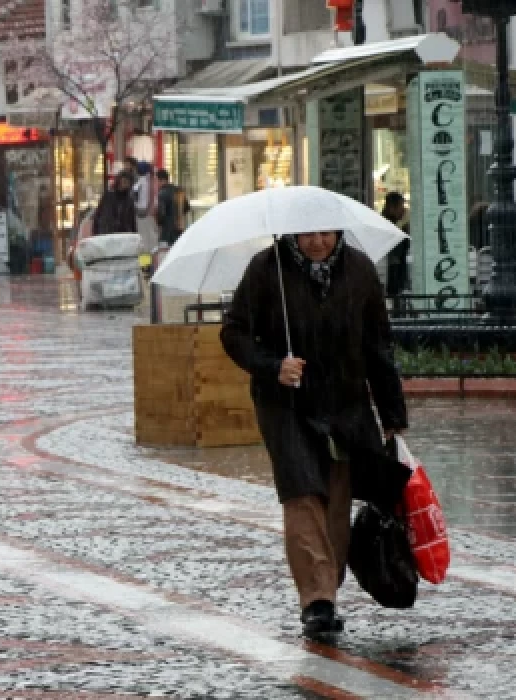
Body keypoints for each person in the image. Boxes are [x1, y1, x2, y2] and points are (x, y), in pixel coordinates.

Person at [220, 231, 408, 641]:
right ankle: (317, 601)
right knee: (302, 493)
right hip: (286, 406)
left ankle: (327, 587)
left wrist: (392, 413)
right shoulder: (266, 268)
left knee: (337, 498)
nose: (319, 241)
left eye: (327, 232)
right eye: (310, 233)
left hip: (344, 404)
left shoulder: (359, 270)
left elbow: (378, 345)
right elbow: (233, 333)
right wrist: (273, 366)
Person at [382, 192, 410, 306]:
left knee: (400, 290)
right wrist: (401, 223)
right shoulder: (386, 220)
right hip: (392, 262)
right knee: (394, 290)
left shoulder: (404, 220)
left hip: (401, 261)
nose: (403, 209)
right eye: (400, 206)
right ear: (392, 207)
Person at [153, 169, 191, 245]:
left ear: (162, 180)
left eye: (156, 181)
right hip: (180, 228)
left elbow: (161, 214)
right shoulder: (179, 190)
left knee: (167, 249)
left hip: (167, 230)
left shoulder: (162, 193)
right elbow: (186, 208)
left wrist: (158, 222)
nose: (156, 184)